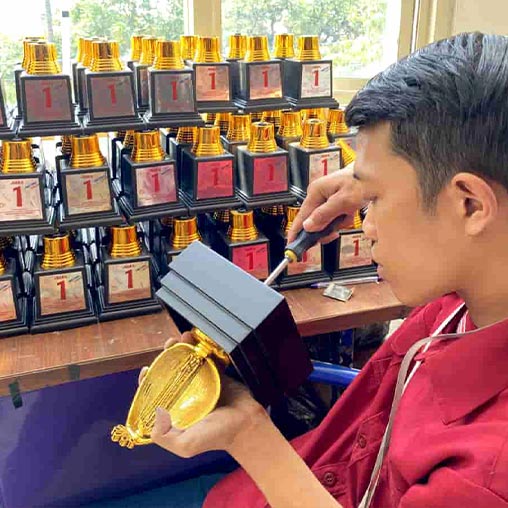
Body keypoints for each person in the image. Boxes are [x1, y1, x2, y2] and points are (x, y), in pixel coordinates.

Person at [93, 32, 508, 507]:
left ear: (470, 205)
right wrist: (367, 180)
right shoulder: (472, 283)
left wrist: (248, 434)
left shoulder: (485, 478)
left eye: (373, 201)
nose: (365, 223)